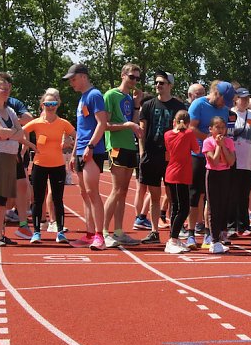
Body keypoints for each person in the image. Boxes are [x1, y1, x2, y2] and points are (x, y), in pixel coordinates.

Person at [136, 71, 185, 244]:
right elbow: (142, 131)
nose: (158, 85)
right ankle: (154, 231)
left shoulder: (179, 106)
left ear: (170, 85)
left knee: (173, 196)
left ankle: (174, 232)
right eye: (156, 82)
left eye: (162, 83)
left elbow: (182, 133)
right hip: (151, 155)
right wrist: (142, 153)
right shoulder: (148, 105)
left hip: (170, 158)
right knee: (154, 195)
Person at [0, 79, 30, 246]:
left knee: (3, 199)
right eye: (3, 88)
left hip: (10, 156)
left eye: (9, 88)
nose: (7, 91)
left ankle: (0, 233)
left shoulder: (9, 110)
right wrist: (11, 133)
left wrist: (8, 134)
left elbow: (20, 131)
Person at [64, 64, 108, 250]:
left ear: (83, 77)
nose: (71, 83)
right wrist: (74, 153)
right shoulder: (82, 98)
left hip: (92, 150)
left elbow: (102, 123)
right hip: (81, 150)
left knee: (92, 192)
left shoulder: (94, 95)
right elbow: (81, 129)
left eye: (73, 79)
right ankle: (90, 233)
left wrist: (90, 146)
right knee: (85, 194)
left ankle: (100, 235)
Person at [24, 89, 76, 244]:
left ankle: (60, 232)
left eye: (53, 103)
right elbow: (19, 133)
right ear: (42, 105)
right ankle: (37, 232)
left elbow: (77, 135)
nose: (50, 106)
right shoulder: (37, 122)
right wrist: (30, 145)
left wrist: (72, 152)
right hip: (39, 165)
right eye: (47, 104)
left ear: (57, 105)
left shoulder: (63, 123)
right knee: (37, 200)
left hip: (58, 166)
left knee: (58, 200)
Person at [188, 80, 235, 245]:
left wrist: (222, 145)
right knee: (194, 196)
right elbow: (190, 128)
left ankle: (210, 232)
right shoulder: (198, 105)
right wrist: (209, 140)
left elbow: (224, 131)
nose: (224, 104)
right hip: (198, 155)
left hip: (217, 160)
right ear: (217, 94)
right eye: (224, 100)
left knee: (212, 198)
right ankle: (191, 233)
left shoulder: (224, 109)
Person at [102, 63, 144, 248]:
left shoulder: (128, 97)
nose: (134, 81)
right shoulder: (111, 95)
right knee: (116, 190)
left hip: (130, 146)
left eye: (137, 78)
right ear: (123, 76)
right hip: (117, 146)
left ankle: (118, 231)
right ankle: (103, 232)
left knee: (124, 191)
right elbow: (105, 124)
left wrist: (136, 105)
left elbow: (134, 123)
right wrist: (126, 126)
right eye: (131, 77)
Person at [163, 110, 199, 253]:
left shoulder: (167, 134)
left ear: (174, 121)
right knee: (184, 209)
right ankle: (172, 239)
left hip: (170, 172)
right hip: (181, 174)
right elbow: (196, 149)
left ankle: (174, 238)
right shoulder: (189, 134)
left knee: (176, 207)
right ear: (188, 122)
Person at [203, 116, 235, 253]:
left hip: (225, 174)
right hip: (213, 175)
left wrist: (224, 147)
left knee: (224, 206)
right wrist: (218, 146)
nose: (221, 130)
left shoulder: (229, 141)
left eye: (223, 127)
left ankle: (221, 236)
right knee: (213, 208)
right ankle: (213, 240)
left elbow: (231, 161)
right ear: (211, 129)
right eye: (218, 127)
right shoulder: (208, 142)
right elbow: (214, 162)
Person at [230, 87, 251, 236]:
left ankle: (243, 225)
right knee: (232, 193)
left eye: (247, 98)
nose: (245, 101)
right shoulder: (230, 114)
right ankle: (230, 225)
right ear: (236, 99)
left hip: (249, 160)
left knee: (244, 194)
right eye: (242, 98)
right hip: (234, 160)